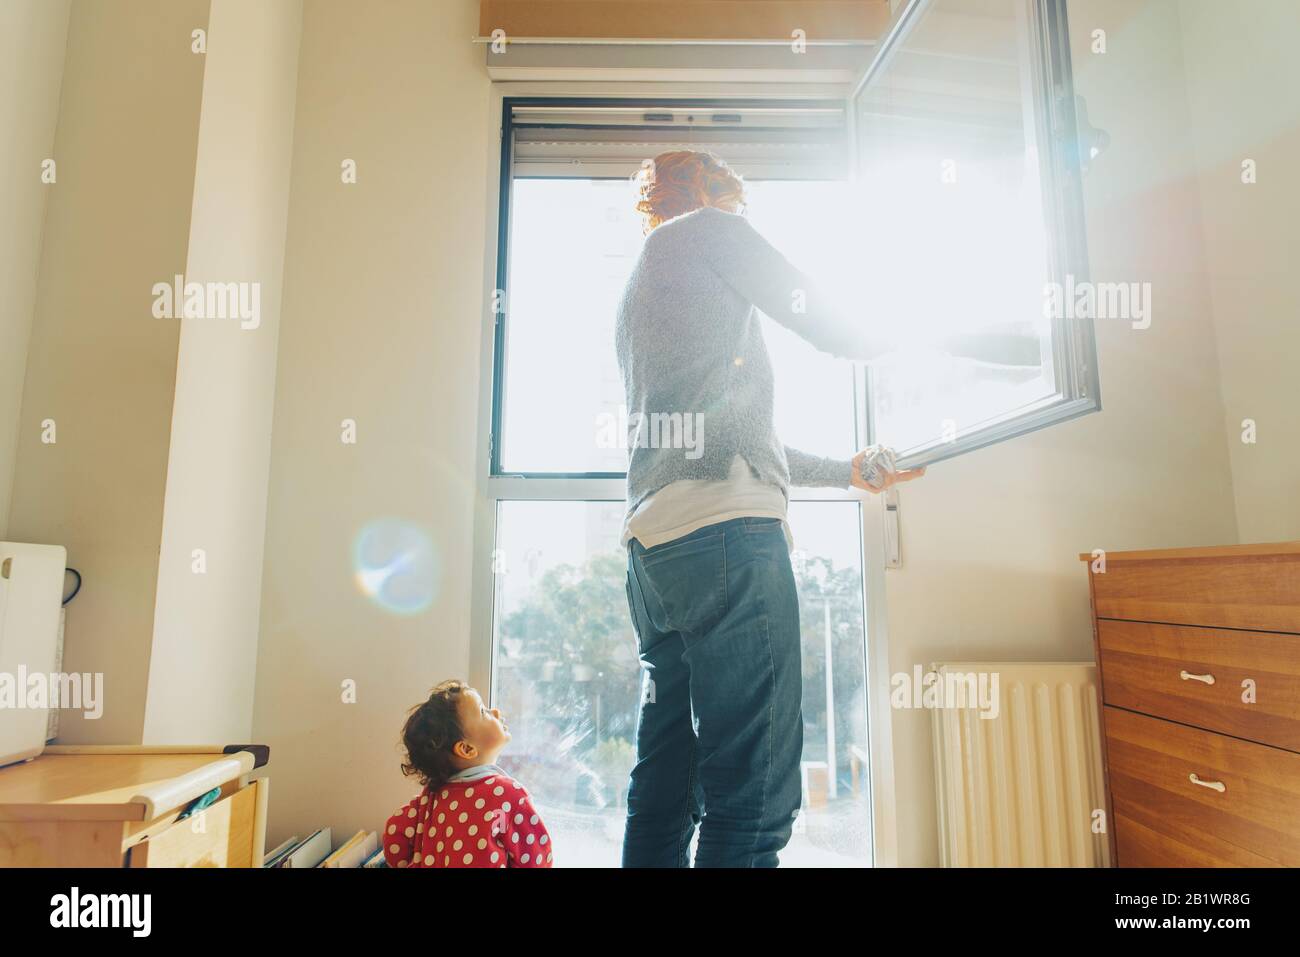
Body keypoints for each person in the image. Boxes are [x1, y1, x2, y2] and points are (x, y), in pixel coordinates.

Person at [616, 149, 923, 868]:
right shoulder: (712, 231)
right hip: (726, 538)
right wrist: (934, 324)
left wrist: (842, 468)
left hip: (655, 549)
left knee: (667, 782)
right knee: (752, 796)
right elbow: (832, 322)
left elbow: (731, 432)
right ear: (718, 192)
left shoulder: (641, 282)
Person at [382, 679, 553, 868]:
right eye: (483, 712)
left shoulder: (430, 797)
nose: (495, 712)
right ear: (466, 749)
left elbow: (394, 834)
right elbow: (538, 860)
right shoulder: (508, 796)